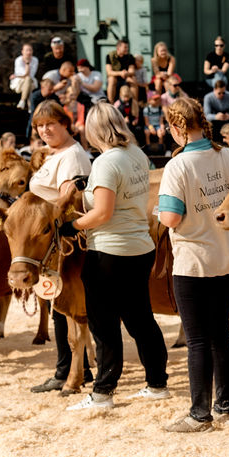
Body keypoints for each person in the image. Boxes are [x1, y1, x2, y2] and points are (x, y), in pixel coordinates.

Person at [63, 102, 170, 410]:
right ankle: (157, 383)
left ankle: (103, 393)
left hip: (109, 251)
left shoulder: (105, 163)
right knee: (141, 319)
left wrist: (72, 226)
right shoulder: (137, 154)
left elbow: (102, 213)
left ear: (94, 130)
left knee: (104, 324)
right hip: (140, 246)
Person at [157, 97, 229, 431]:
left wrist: (159, 214)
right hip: (228, 254)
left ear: (177, 127)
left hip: (194, 260)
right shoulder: (228, 156)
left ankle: (199, 414)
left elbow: (170, 216)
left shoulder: (178, 165)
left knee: (197, 340)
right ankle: (226, 407)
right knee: (220, 333)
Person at [25, 100, 95, 393]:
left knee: (65, 308)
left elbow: (68, 201)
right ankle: (76, 369)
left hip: (67, 242)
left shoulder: (73, 156)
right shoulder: (53, 155)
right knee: (58, 306)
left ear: (65, 123)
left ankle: (66, 370)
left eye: (50, 123)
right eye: (39, 126)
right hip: (50, 242)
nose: (45, 130)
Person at [105, 39, 136, 103]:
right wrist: (120, 73)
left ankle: (134, 104)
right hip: (115, 78)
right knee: (111, 79)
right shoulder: (110, 56)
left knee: (133, 79)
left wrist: (126, 73)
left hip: (125, 78)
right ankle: (111, 103)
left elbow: (132, 71)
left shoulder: (130, 57)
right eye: (125, 47)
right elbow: (109, 72)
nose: (127, 49)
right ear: (118, 47)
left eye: (127, 47)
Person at [11, 44, 39, 110]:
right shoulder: (18, 60)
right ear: (22, 51)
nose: (28, 52)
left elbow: (30, 74)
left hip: (30, 80)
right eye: (27, 50)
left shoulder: (35, 60)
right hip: (20, 82)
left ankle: (22, 101)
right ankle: (30, 107)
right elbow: (24, 74)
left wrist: (27, 63)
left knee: (28, 80)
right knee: (28, 83)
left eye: (30, 50)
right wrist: (27, 63)